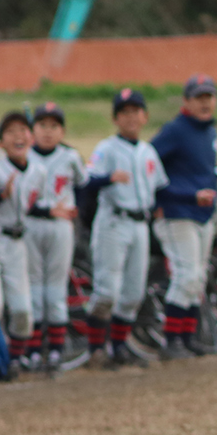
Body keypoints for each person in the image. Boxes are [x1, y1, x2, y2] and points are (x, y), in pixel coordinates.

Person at [84, 89, 167, 370]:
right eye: (124, 112)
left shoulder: (148, 151)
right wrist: (108, 178)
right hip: (113, 222)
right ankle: (96, 349)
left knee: (133, 293)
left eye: (135, 111)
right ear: (115, 118)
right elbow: (86, 181)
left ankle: (119, 348)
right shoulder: (107, 148)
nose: (131, 117)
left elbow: (159, 187)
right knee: (107, 292)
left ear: (145, 117)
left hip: (140, 224)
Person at [151, 74, 217, 361]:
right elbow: (149, 166)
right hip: (177, 213)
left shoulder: (208, 131)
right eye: (198, 98)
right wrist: (185, 195)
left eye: (209, 97)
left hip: (203, 214)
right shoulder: (175, 131)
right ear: (186, 101)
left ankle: (189, 338)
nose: (205, 103)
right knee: (186, 276)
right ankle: (172, 341)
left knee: (198, 278)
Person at [24, 103, 84, 377]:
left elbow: (84, 185)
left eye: (54, 126)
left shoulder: (70, 156)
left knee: (56, 288)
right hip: (31, 225)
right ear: (32, 130)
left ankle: (57, 348)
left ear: (62, 131)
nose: (48, 132)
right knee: (34, 286)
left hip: (61, 226)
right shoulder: (24, 156)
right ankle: (34, 349)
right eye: (42, 126)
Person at [0, 111, 44, 378]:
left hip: (17, 242)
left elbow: (32, 205)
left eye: (23, 130)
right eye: (10, 131)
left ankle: (16, 361)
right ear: (0, 142)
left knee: (22, 310)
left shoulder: (38, 171)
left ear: (31, 137)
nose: (18, 136)